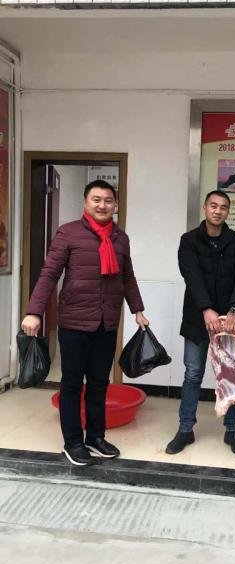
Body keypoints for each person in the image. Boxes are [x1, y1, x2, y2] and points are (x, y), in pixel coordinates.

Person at [21, 180, 148, 466]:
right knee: (72, 384)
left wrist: (138, 309)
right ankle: (73, 443)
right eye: (96, 199)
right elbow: (49, 273)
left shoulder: (120, 238)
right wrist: (34, 312)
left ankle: (95, 437)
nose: (102, 205)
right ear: (85, 202)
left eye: (108, 200)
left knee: (100, 383)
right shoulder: (68, 233)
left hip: (107, 322)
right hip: (74, 323)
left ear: (115, 205)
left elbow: (127, 277)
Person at [166, 190, 235, 457]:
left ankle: (232, 430)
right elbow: (191, 275)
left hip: (229, 321)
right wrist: (206, 309)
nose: (218, 211)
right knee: (193, 374)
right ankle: (185, 429)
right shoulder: (189, 240)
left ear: (228, 212)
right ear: (205, 208)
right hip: (197, 318)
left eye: (223, 207)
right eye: (213, 206)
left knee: (233, 375)